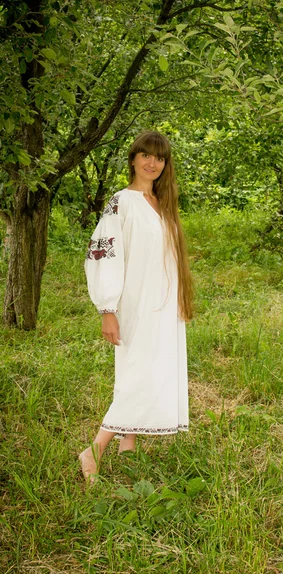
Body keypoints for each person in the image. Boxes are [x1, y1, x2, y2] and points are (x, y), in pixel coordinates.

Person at [79, 130, 193, 484]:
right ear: (133, 159)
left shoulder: (162, 204)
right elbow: (103, 254)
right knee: (139, 374)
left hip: (162, 305)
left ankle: (128, 447)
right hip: (134, 303)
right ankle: (94, 450)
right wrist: (107, 308)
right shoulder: (120, 202)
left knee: (147, 371)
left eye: (159, 157)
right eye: (146, 154)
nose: (152, 162)